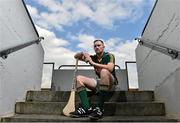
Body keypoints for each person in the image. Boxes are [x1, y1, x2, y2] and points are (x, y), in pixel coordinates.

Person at [70, 39, 118, 120]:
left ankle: (100, 108)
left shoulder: (109, 55)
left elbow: (110, 68)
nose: (97, 47)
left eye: (99, 45)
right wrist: (82, 53)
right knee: (79, 78)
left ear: (103, 47)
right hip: (100, 83)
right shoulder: (93, 57)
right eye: (95, 46)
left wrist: (92, 63)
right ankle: (86, 108)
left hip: (111, 84)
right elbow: (76, 56)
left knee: (104, 71)